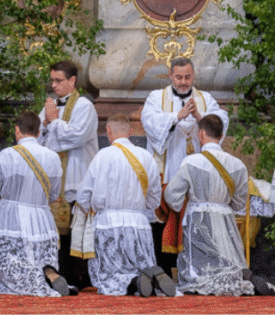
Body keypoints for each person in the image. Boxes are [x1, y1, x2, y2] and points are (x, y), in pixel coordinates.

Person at [141, 56, 230, 274]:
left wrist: (201, 117)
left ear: (193, 75)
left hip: (197, 172)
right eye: (179, 77)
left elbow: (221, 121)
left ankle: (194, 269)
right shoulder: (156, 97)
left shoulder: (206, 98)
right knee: (165, 214)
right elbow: (149, 121)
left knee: (194, 218)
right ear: (170, 75)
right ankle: (163, 269)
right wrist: (175, 117)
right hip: (168, 166)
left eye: (188, 77)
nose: (183, 82)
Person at [76, 114, 171, 296]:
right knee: (138, 265)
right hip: (138, 223)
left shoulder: (102, 156)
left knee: (110, 275)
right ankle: (147, 279)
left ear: (108, 131)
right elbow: (154, 199)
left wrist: (92, 209)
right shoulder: (146, 157)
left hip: (108, 223)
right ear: (130, 132)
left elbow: (83, 195)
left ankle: (133, 283)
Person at [0, 111, 68, 297]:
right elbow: (53, 194)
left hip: (11, 218)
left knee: (13, 266)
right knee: (39, 258)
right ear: (38, 133)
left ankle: (33, 283)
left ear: (17, 130)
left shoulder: (7, 155)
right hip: (41, 218)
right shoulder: (53, 157)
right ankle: (48, 277)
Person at [165, 114, 254, 296]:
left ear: (201, 134)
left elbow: (172, 194)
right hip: (225, 219)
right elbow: (238, 204)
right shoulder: (238, 165)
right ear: (221, 136)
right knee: (226, 263)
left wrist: (180, 204)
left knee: (198, 269)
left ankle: (199, 280)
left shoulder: (192, 161)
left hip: (198, 218)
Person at [38, 60, 98, 288]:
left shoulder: (84, 106)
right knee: (58, 231)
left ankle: (80, 276)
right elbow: (38, 140)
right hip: (55, 177)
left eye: (59, 80)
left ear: (72, 81)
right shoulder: (49, 106)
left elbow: (76, 137)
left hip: (76, 175)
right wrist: (44, 125)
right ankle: (60, 273)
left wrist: (53, 122)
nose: (54, 85)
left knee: (78, 228)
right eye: (52, 80)